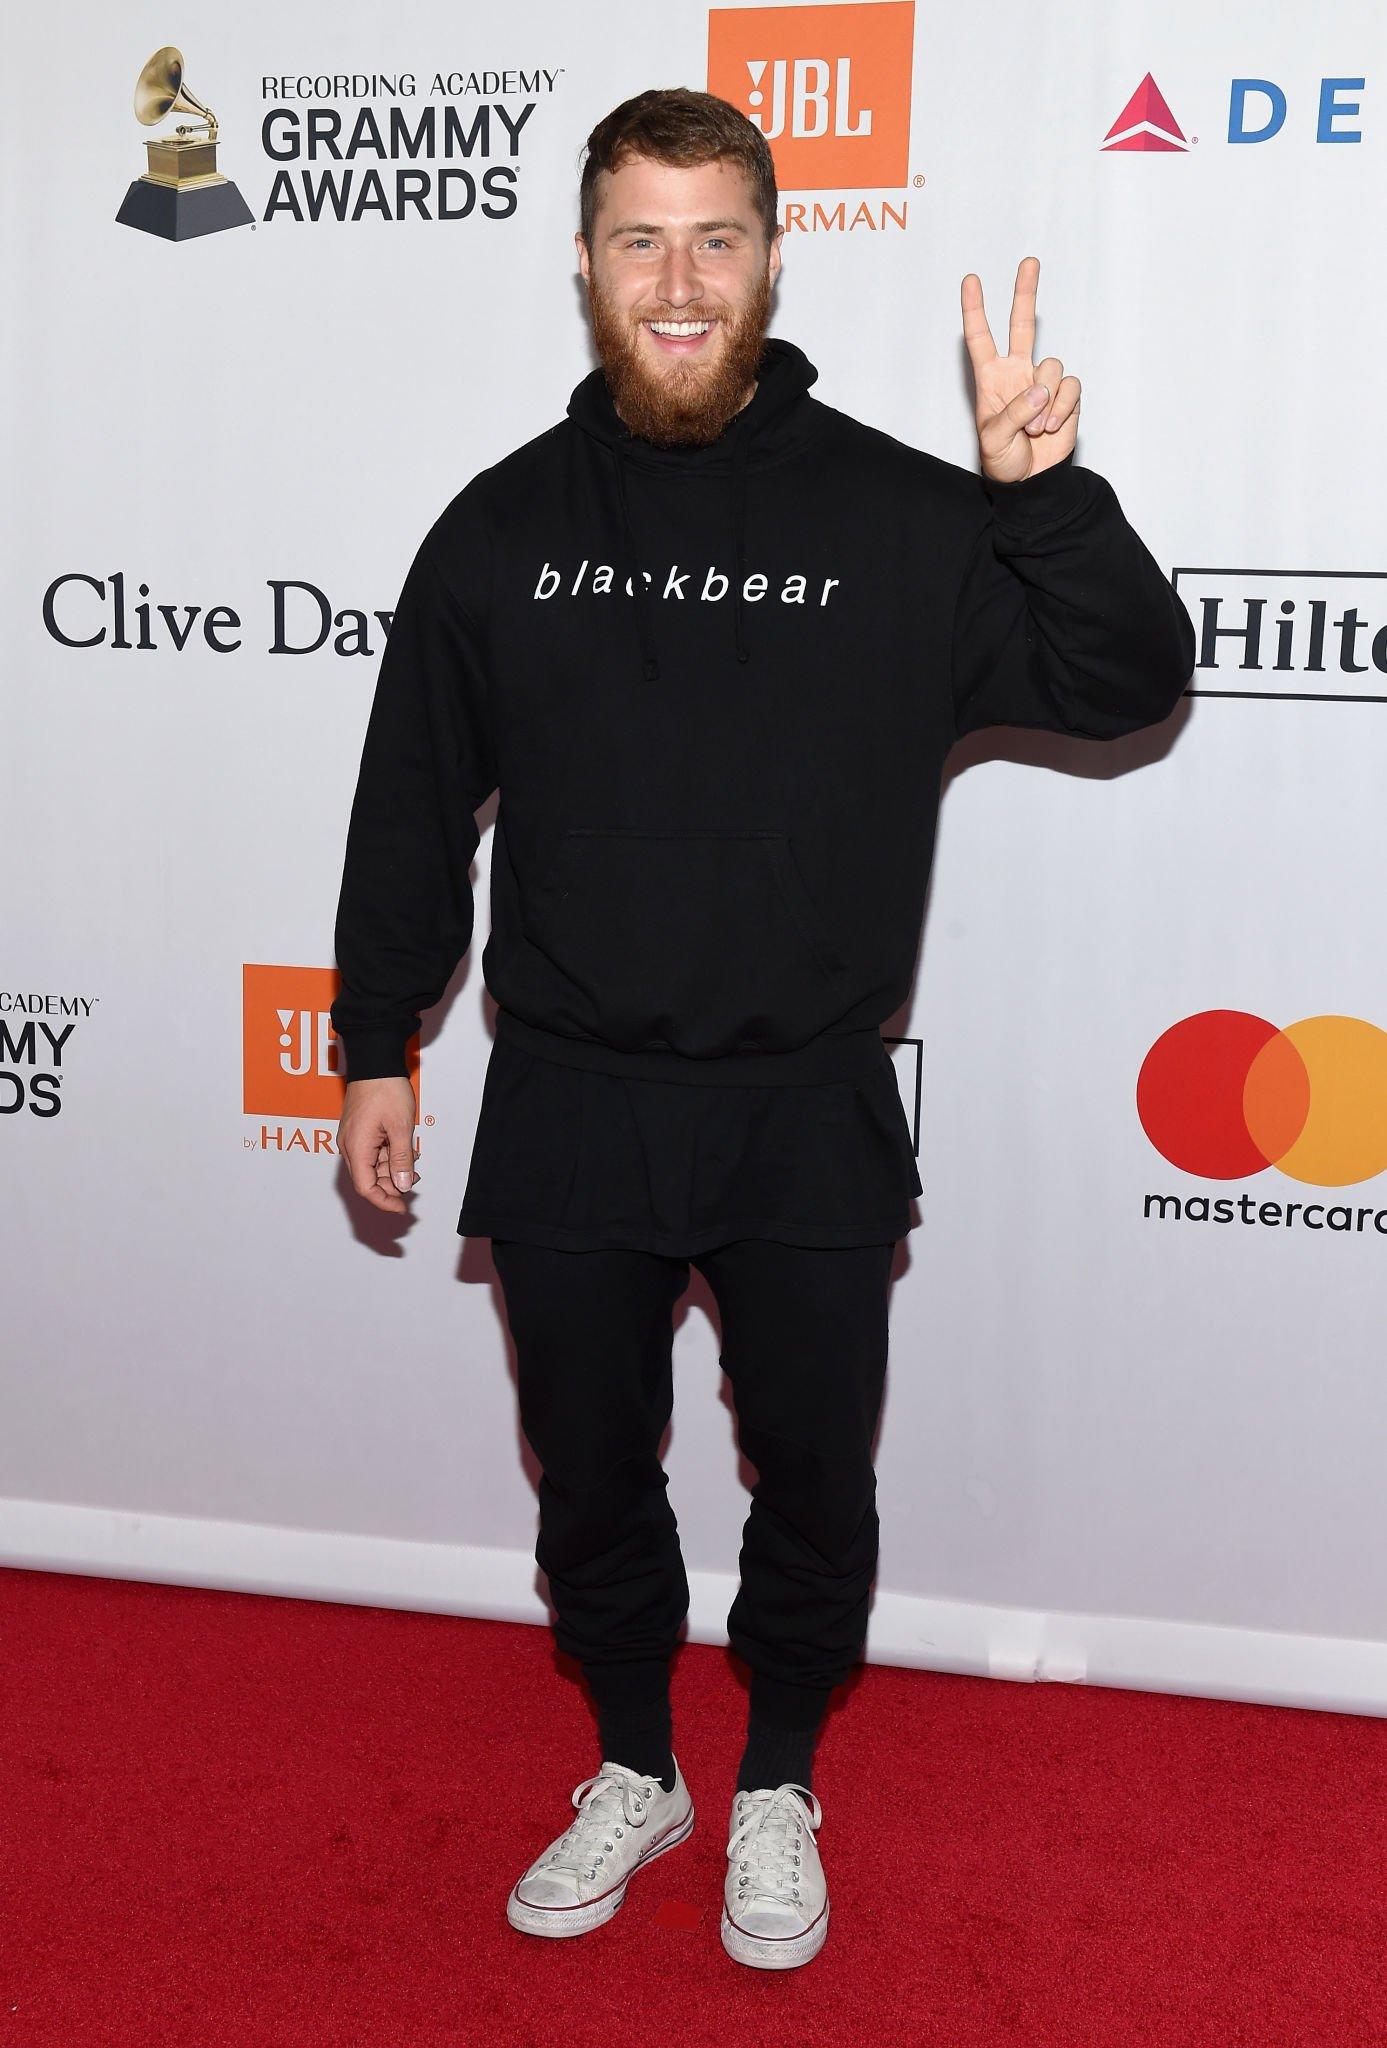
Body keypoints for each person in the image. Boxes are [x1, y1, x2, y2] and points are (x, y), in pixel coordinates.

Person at [329, 87, 1195, 1971]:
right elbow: (407, 804)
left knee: (814, 1475)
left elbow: (1131, 679)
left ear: (772, 255)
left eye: (717, 236)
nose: (680, 279)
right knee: (593, 1466)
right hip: (565, 1098)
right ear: (584, 264)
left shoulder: (900, 511)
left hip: (804, 1102)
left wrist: (1042, 497)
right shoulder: (500, 527)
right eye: (640, 238)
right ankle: (637, 1766)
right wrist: (377, 1044)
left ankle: (780, 1779)